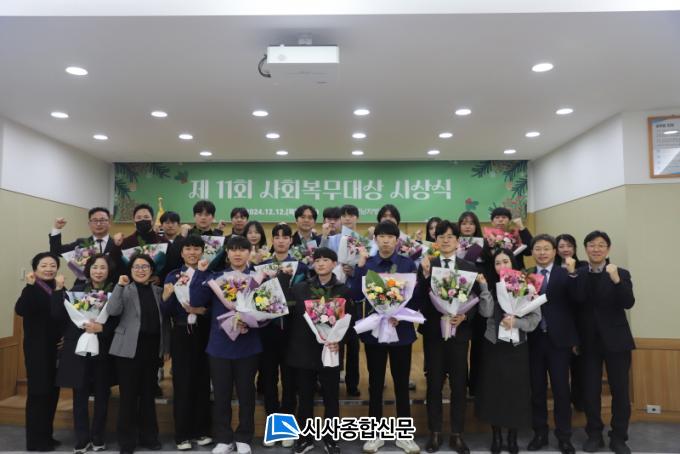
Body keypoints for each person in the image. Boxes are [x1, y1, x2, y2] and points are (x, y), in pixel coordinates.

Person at [417, 220, 487, 454]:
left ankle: (457, 434)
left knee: (458, 385)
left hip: (460, 334)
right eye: (441, 236)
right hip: (434, 334)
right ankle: (435, 433)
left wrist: (465, 316)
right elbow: (419, 300)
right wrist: (425, 275)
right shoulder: (428, 264)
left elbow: (477, 301)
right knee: (434, 385)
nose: (446, 240)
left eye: (450, 236)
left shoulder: (470, 267)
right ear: (435, 241)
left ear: (458, 241)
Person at [351, 221, 420, 454]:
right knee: (375, 383)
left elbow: (415, 296)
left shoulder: (407, 264)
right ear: (376, 239)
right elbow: (356, 295)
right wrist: (360, 267)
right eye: (382, 236)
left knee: (401, 383)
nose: (386, 240)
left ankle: (404, 435)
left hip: (401, 332)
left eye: (390, 237)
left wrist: (400, 314)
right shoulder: (368, 264)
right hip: (375, 332)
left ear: (397, 240)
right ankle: (374, 434)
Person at [566, 231, 635, 454]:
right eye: (592, 245)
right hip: (588, 342)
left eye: (601, 245)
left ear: (608, 249)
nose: (596, 249)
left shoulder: (620, 273)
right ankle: (594, 434)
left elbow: (628, 302)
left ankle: (619, 437)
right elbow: (575, 303)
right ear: (585, 248)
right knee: (590, 391)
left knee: (620, 391)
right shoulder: (578, 273)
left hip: (617, 341)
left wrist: (616, 280)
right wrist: (572, 275)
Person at [190, 236, 261, 454]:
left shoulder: (258, 277)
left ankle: (244, 437)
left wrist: (255, 320)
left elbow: (270, 309)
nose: (237, 254)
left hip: (248, 345)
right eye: (233, 250)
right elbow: (196, 300)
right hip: (220, 346)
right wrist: (200, 272)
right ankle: (223, 438)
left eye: (242, 250)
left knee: (246, 395)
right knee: (221, 395)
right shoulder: (215, 277)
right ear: (227, 253)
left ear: (249, 253)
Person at [288, 247, 353, 454]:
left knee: (331, 397)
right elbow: (290, 319)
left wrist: (339, 341)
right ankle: (304, 438)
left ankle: (331, 438)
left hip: (330, 351)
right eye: (317, 260)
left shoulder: (343, 290)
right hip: (304, 350)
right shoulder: (300, 289)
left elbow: (350, 323)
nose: (321, 263)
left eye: (326, 260)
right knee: (305, 397)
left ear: (334, 264)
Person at [475, 249, 541, 454]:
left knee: (516, 392)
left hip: (517, 347)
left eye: (505, 261)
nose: (502, 266)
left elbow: (535, 320)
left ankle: (512, 437)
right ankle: (496, 436)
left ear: (512, 263)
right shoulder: (491, 286)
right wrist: (484, 288)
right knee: (494, 390)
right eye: (497, 263)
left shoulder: (527, 285)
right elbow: (485, 312)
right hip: (494, 345)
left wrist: (516, 322)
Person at [53, 254, 119, 453]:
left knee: (102, 395)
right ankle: (82, 438)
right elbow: (60, 316)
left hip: (104, 350)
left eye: (103, 267)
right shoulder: (76, 291)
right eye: (94, 267)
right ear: (88, 270)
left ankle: (98, 436)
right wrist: (58, 290)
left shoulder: (116, 292)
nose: (98, 271)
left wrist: (102, 329)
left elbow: (119, 320)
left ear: (109, 271)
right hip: (79, 349)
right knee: (79, 396)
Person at [107, 254, 169, 454]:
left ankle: (149, 437)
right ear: (130, 270)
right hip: (127, 350)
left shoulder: (159, 291)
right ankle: (127, 441)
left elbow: (165, 323)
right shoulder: (124, 289)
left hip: (152, 350)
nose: (141, 270)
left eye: (145, 267)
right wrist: (119, 286)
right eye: (136, 267)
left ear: (151, 271)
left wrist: (166, 348)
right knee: (128, 397)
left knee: (148, 395)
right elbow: (112, 310)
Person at [525, 235, 578, 454]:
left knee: (561, 390)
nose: (542, 253)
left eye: (546, 248)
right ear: (532, 252)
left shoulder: (565, 273)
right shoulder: (525, 274)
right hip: (534, 339)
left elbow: (577, 300)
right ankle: (540, 433)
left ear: (555, 252)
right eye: (538, 249)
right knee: (537, 390)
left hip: (559, 342)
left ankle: (564, 436)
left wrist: (573, 275)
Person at [257, 224, 308, 447]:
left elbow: (305, 297)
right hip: (267, 331)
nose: (280, 240)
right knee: (269, 380)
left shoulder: (301, 267)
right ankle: (272, 428)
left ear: (290, 241)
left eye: (285, 237)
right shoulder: (261, 267)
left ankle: (286, 429)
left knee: (290, 381)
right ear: (272, 240)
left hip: (292, 331)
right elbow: (256, 297)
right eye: (276, 237)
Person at [161, 236, 213, 451]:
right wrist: (166, 297)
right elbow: (165, 311)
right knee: (182, 384)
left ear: (202, 251)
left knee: (203, 382)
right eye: (188, 249)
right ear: (182, 253)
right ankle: (182, 435)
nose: (192, 252)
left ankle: (201, 431)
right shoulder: (173, 275)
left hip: (204, 332)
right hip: (181, 332)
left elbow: (214, 307)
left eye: (196, 248)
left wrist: (202, 310)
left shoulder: (209, 275)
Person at [15, 252, 64, 452]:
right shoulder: (31, 288)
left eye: (53, 265)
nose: (49, 269)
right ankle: (35, 441)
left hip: (56, 349)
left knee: (52, 394)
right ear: (35, 269)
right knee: (38, 394)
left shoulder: (58, 288)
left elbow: (64, 315)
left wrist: (65, 336)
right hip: (37, 351)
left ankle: (47, 436)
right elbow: (21, 309)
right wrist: (29, 285)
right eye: (44, 265)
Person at [554, 233, 587, 412]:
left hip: (579, 322)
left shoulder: (583, 267)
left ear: (574, 248)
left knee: (579, 366)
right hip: (558, 322)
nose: (565, 249)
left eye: (569, 245)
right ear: (556, 249)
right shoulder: (552, 269)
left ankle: (579, 401)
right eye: (561, 246)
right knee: (560, 368)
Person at [456, 211, 486, 397]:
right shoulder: (453, 246)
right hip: (458, 303)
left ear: (476, 226)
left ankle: (475, 385)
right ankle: (461, 383)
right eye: (464, 223)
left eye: (471, 223)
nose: (467, 226)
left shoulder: (484, 246)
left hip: (479, 302)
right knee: (460, 349)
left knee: (478, 346)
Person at [49, 207, 114, 256]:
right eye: (95, 220)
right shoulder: (81, 243)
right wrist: (56, 228)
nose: (98, 224)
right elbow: (56, 252)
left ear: (109, 223)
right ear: (89, 224)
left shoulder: (117, 244)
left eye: (102, 220)